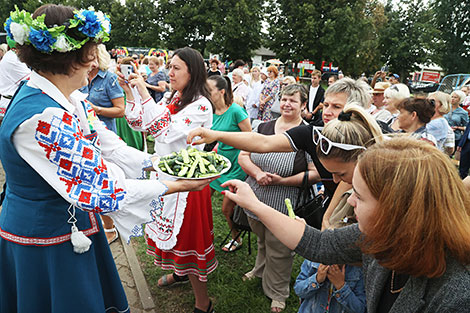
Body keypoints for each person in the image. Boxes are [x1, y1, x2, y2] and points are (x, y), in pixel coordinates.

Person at [0, 5, 211, 313]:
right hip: (43, 238)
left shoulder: (69, 99)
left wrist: (158, 165)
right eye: (93, 51)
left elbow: (108, 144)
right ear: (73, 58)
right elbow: (102, 188)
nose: (97, 61)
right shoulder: (44, 117)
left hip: (70, 225)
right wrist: (173, 185)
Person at [221, 137, 470, 313]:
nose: (349, 200)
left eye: (359, 196)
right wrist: (253, 205)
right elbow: (318, 244)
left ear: (399, 210)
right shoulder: (383, 236)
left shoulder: (457, 295)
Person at [188, 77, 373, 230]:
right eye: (326, 105)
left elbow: (348, 181)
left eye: (336, 107)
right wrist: (214, 134)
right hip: (332, 207)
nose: (327, 112)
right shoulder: (313, 133)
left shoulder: (376, 139)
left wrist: (328, 218)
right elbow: (262, 142)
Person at [120, 47, 215, 313]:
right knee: (173, 238)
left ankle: (203, 303)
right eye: (169, 67)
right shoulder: (175, 97)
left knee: (188, 242)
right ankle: (180, 273)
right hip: (168, 178)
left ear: (192, 72)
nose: (169, 73)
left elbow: (164, 131)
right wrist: (130, 92)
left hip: (188, 184)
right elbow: (141, 123)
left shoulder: (201, 104)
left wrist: (143, 93)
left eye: (176, 68)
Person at [239, 84, 318, 312]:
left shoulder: (308, 134)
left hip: (285, 202)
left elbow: (314, 174)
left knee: (281, 249)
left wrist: (281, 181)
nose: (286, 104)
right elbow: (243, 155)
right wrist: (257, 174)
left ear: (304, 105)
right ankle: (260, 270)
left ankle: (277, 292)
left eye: (293, 100)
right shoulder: (264, 126)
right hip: (256, 196)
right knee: (263, 239)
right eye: (284, 99)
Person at [206, 75, 251, 252]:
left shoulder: (236, 111)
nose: (205, 93)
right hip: (220, 162)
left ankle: (236, 239)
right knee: (201, 197)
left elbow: (250, 138)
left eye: (208, 90)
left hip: (237, 163)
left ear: (221, 92)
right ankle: (203, 235)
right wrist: (214, 151)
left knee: (226, 208)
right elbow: (219, 137)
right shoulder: (211, 111)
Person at [294, 218, 366, 313]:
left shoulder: (358, 271)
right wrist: (316, 279)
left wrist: (341, 286)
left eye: (337, 253)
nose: (331, 257)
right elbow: (298, 290)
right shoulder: (313, 262)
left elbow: (360, 309)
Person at [79, 44, 124, 134]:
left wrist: (97, 109)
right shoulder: (80, 77)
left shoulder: (110, 78)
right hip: (83, 131)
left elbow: (120, 111)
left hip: (104, 133)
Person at [0, 37, 31, 121]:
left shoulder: (12, 55)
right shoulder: (13, 59)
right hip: (10, 103)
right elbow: (31, 81)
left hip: (12, 102)